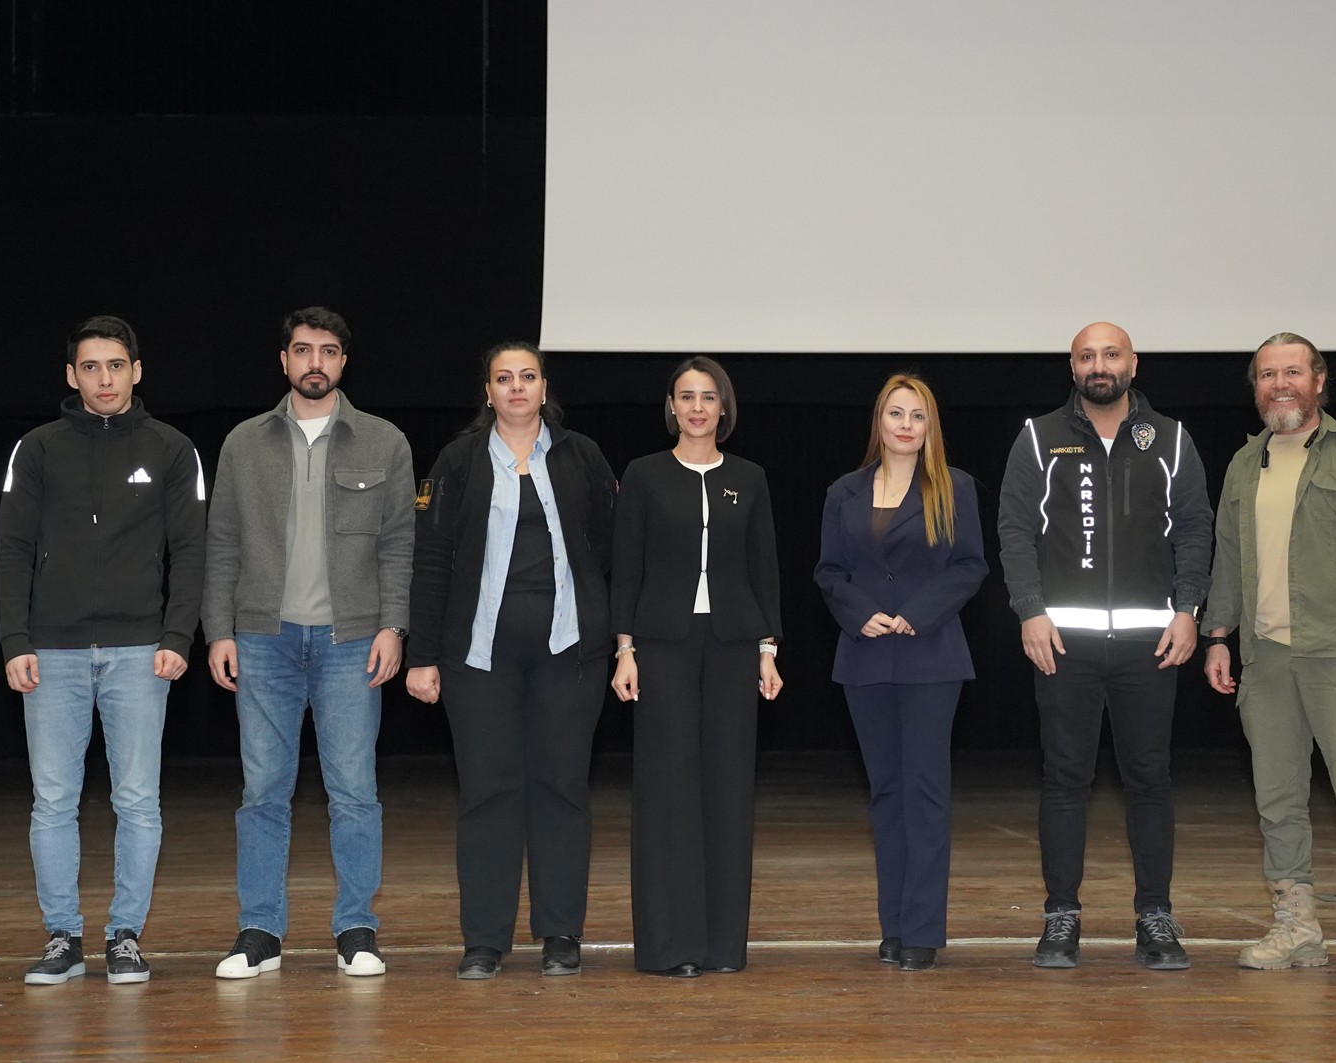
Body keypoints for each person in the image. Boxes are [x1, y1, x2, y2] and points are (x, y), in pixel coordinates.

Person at [202, 307, 414, 979]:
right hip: (263, 638)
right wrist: (219, 630)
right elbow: (222, 542)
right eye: (302, 350)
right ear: (284, 360)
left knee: (354, 790)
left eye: (326, 350)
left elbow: (398, 544)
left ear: (343, 361)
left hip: (352, 640)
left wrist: (393, 626)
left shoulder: (384, 441)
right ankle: (260, 930)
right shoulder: (243, 442)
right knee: (263, 790)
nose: (314, 361)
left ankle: (357, 928)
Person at [996, 321, 1213, 970]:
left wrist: (1188, 611)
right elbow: (1014, 529)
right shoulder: (1039, 437)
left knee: (1150, 779)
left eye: (1110, 354)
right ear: (1072, 367)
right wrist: (1031, 612)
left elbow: (1195, 529)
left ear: (1132, 363)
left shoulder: (1171, 438)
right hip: (1064, 643)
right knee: (1065, 778)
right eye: (1087, 355)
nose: (1099, 365)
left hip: (1152, 643)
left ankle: (1155, 917)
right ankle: (1061, 915)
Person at [0, 314, 206, 985]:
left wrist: (177, 635)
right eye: (90, 367)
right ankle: (62, 937)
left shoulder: (172, 449)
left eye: (116, 365)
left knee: (137, 800)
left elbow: (192, 551)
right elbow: (12, 551)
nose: (104, 378)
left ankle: (125, 936)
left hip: (140, 651)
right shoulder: (37, 449)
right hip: (50, 652)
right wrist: (14, 640)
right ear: (72, 375)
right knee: (53, 801)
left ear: (136, 371)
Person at [1202, 332, 1336, 985]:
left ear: (1318, 380)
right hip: (1266, 659)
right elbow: (1229, 554)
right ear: (1256, 388)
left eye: (1292, 371)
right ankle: (1297, 927)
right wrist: (1218, 634)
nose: (1280, 384)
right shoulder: (1245, 464)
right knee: (1277, 797)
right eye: (1267, 375)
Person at [405, 342, 617, 980]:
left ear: (545, 388)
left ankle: (560, 934)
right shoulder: (458, 461)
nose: (517, 387)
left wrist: (618, 637)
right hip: (478, 655)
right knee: (488, 791)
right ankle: (484, 940)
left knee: (562, 788)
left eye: (528, 377)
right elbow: (431, 558)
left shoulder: (582, 456)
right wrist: (422, 655)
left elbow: (611, 547)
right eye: (504, 378)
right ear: (489, 391)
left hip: (569, 650)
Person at [609, 356, 783, 978]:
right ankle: (672, 946)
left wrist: (768, 649)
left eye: (709, 397)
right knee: (667, 790)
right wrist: (624, 650)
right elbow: (626, 568)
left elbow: (764, 568)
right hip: (662, 646)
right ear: (672, 407)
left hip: (734, 646)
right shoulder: (644, 474)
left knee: (729, 789)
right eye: (687, 396)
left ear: (723, 407)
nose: (698, 407)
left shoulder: (750, 477)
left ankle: (722, 946)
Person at [814, 374, 987, 973]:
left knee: (926, 791)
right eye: (896, 413)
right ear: (880, 421)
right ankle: (893, 925)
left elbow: (970, 565)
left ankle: (922, 930)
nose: (906, 424)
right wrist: (860, 613)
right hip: (864, 656)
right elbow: (829, 571)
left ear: (929, 425)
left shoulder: (955, 487)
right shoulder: (844, 491)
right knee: (886, 793)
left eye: (917, 415)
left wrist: (918, 613)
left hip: (931, 655)